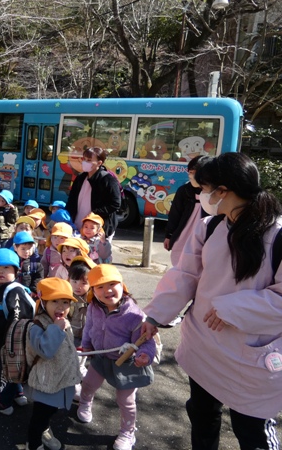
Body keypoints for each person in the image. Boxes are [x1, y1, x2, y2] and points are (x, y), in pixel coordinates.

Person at [142, 153, 282, 450]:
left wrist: (232, 309)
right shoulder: (209, 226)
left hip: (251, 357)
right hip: (204, 347)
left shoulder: (278, 235)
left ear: (223, 191)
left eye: (204, 188)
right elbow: (185, 274)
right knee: (203, 417)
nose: (201, 195)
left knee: (253, 432)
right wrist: (154, 316)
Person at [78, 264, 156, 450]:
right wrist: (86, 344)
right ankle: (85, 403)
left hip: (126, 363)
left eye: (112, 284)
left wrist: (145, 355)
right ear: (93, 290)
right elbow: (89, 327)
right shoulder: (93, 307)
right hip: (100, 357)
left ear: (122, 285)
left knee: (126, 401)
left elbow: (147, 341)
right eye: (100, 286)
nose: (107, 290)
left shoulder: (134, 315)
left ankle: (127, 432)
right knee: (88, 384)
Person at [25, 277, 82, 450]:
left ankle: (45, 429)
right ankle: (33, 444)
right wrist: (56, 328)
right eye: (54, 301)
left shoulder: (63, 322)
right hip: (44, 383)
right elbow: (46, 351)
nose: (61, 307)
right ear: (43, 302)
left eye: (65, 302)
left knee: (51, 411)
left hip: (60, 380)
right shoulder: (36, 326)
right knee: (39, 417)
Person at [0, 248, 35, 415]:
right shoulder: (2, 288)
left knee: (7, 374)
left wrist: (9, 348)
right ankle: (18, 393)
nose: (1, 271)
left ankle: (3, 403)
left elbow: (18, 322)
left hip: (10, 347)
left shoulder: (14, 291)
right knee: (14, 371)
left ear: (16, 271)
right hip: (5, 345)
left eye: (6, 267)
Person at [163, 155, 209, 266]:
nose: (190, 174)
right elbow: (175, 214)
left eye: (194, 172)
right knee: (180, 259)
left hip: (203, 235)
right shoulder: (184, 191)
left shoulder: (213, 193)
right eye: (190, 171)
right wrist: (169, 235)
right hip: (184, 233)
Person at [67, 147, 121, 239]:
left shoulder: (108, 180)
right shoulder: (80, 178)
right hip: (77, 227)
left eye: (89, 160)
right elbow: (71, 200)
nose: (85, 162)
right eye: (84, 159)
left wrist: (94, 213)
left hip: (97, 230)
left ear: (99, 163)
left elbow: (115, 204)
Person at [12, 231, 44, 297]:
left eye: (29, 248)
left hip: (29, 294)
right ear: (15, 247)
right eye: (23, 249)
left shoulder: (35, 263)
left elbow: (38, 277)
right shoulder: (11, 262)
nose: (26, 251)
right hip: (13, 292)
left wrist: (33, 290)